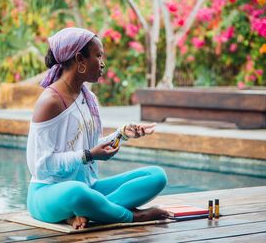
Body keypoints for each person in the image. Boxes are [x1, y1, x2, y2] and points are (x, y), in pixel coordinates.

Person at [26, 27, 172, 230]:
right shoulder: (50, 102)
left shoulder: (89, 98)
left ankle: (93, 211)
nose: (103, 63)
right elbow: (41, 166)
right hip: (48, 193)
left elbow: (91, 148)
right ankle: (131, 216)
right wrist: (87, 155)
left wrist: (121, 134)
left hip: (88, 187)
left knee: (156, 176)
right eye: (98, 55)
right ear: (80, 59)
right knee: (78, 193)